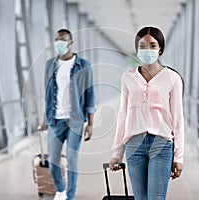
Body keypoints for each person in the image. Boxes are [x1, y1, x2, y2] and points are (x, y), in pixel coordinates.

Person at [109, 26, 184, 200]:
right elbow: (123, 115)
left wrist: (179, 156)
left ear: (160, 49)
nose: (147, 50)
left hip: (162, 144)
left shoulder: (173, 78)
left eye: (152, 45)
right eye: (142, 46)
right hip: (134, 144)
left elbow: (178, 119)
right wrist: (116, 153)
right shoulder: (128, 77)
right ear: (137, 49)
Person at [40, 29, 96, 200]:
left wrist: (90, 124)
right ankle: (60, 190)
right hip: (55, 120)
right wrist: (44, 120)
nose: (59, 44)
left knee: (72, 159)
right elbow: (48, 95)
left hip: (75, 121)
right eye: (57, 40)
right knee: (53, 161)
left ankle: (70, 196)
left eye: (63, 41)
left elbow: (90, 94)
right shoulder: (50, 65)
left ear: (70, 43)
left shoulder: (83, 65)